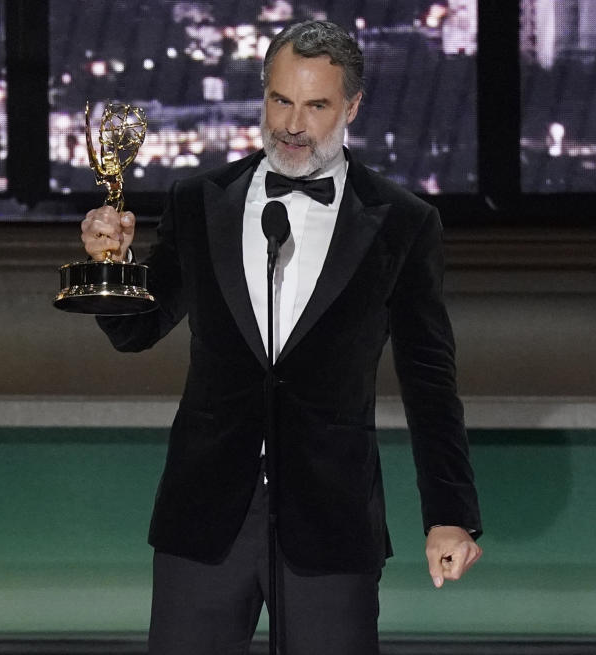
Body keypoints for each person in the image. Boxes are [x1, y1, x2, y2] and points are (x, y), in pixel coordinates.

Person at [80, 20, 482, 655]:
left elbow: (430, 382)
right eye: (280, 100)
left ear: (351, 106)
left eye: (316, 105)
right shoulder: (198, 200)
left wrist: (450, 514)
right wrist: (110, 266)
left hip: (332, 520)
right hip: (205, 518)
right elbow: (136, 333)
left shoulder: (403, 223)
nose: (293, 124)